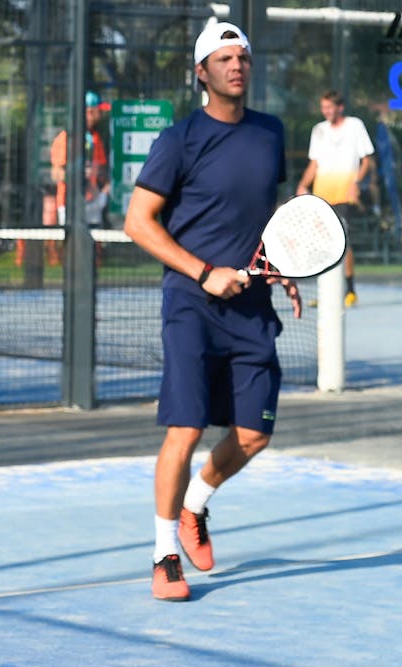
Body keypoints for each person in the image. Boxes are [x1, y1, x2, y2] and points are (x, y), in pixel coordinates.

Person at [123, 21, 301, 602]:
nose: (237, 66)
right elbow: (138, 223)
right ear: (202, 72)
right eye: (224, 58)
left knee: (254, 434)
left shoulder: (270, 134)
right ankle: (163, 555)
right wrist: (203, 272)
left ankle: (193, 508)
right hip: (191, 304)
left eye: (243, 57)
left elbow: (261, 219)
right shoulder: (178, 141)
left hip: (253, 304)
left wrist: (284, 266)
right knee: (187, 426)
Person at [295, 89, 374, 308]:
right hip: (322, 195)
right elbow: (314, 163)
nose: (326, 111)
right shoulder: (318, 130)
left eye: (329, 107)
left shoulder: (355, 126)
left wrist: (356, 184)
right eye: (323, 108)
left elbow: (366, 160)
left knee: (343, 242)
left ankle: (350, 291)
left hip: (344, 194)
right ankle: (326, 292)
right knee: (323, 244)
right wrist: (303, 185)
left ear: (340, 107)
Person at [50, 90, 111, 227]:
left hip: (93, 202)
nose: (101, 115)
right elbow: (56, 174)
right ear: (89, 112)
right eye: (98, 111)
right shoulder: (65, 138)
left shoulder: (96, 138)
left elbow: (100, 170)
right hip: (69, 203)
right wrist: (76, 174)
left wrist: (105, 191)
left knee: (95, 245)